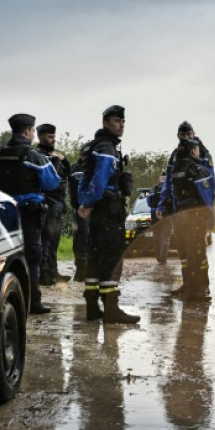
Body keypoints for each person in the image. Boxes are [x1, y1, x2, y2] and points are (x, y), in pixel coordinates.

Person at [0, 113, 61, 314]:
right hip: (29, 214)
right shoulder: (34, 156)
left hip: (4, 214)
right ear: (28, 131)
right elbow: (52, 182)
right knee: (32, 255)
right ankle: (33, 302)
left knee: (5, 257)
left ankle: (4, 300)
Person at [77, 105, 140, 324]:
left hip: (98, 212)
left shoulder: (93, 146)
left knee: (95, 258)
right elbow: (100, 179)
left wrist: (84, 203)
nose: (121, 125)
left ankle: (93, 307)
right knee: (112, 258)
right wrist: (90, 202)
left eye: (122, 121)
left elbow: (84, 178)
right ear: (105, 123)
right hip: (108, 210)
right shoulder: (106, 148)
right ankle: (112, 310)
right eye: (116, 121)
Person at [157, 138, 215, 301]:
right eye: (196, 149)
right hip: (195, 217)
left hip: (181, 216)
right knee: (196, 253)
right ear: (191, 151)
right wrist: (210, 217)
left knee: (186, 254)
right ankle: (196, 291)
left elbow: (172, 193)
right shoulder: (196, 169)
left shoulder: (175, 170)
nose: (198, 152)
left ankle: (189, 287)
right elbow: (206, 196)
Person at [36, 123, 72, 285]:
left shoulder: (56, 155)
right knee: (46, 240)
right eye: (50, 137)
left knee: (55, 240)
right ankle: (44, 274)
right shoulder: (38, 155)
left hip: (58, 202)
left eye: (54, 137)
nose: (53, 140)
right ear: (41, 137)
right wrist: (56, 161)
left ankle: (53, 271)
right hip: (47, 202)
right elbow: (51, 180)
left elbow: (68, 173)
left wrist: (64, 160)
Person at [69, 167, 90, 282]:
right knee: (79, 239)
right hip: (78, 210)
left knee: (88, 238)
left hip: (91, 209)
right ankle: (81, 270)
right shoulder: (75, 168)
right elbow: (71, 188)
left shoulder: (95, 165)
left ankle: (89, 270)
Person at [148, 174, 172, 264]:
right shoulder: (169, 188)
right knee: (165, 236)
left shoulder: (154, 188)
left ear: (159, 179)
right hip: (166, 214)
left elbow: (149, 201)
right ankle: (163, 258)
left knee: (156, 236)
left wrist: (154, 208)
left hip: (154, 213)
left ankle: (158, 257)